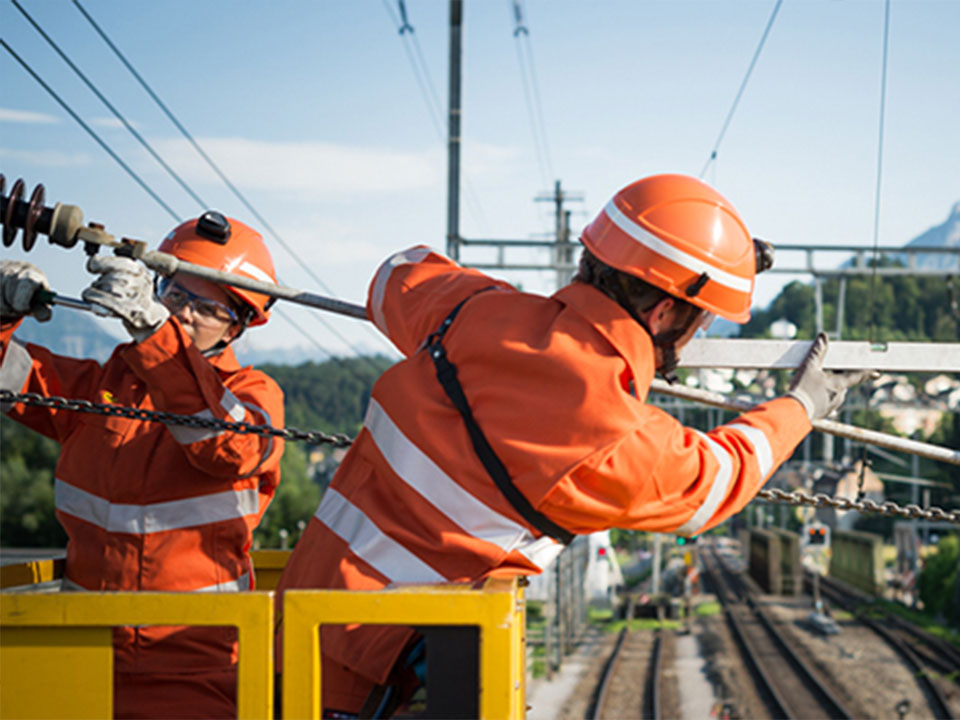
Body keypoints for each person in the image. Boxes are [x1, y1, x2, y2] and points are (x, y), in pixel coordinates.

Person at [275, 173, 875, 717]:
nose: (699, 337)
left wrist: (498, 301)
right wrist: (803, 406)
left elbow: (396, 275)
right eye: (702, 322)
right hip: (368, 673)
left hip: (288, 630)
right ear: (664, 314)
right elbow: (717, 481)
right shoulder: (615, 435)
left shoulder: (470, 313)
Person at [0, 211, 285, 719]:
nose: (183, 315)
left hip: (195, 666)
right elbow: (12, 377)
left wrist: (156, 334)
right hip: (81, 654)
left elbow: (227, 447)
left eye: (207, 308)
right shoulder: (102, 387)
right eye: (175, 295)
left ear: (237, 325)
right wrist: (2, 317)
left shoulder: (254, 396)